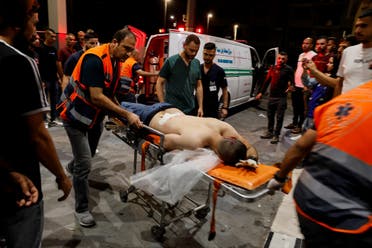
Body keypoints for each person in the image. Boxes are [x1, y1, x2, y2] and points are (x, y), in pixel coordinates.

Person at [0, 1, 72, 247]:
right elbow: (37, 135)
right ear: (17, 24)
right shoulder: (18, 61)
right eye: (33, 23)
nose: (35, 31)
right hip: (20, 185)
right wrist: (61, 176)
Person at [267, 80, 372, 247]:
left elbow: (301, 146)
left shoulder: (343, 100)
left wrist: (279, 178)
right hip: (350, 225)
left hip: (306, 203)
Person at [58, 27, 142, 228]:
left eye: (132, 50)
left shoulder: (115, 61)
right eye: (126, 48)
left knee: (85, 159)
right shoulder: (95, 59)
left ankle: (73, 166)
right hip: (75, 118)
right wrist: (126, 114)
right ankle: (82, 208)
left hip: (94, 119)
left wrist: (121, 112)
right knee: (86, 163)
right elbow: (96, 96)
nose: (128, 54)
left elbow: (109, 93)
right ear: (114, 42)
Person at [120, 102, 258, 165]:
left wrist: (253, 159)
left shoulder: (223, 126)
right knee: (115, 108)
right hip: (150, 116)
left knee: (120, 103)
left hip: (169, 108)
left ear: (232, 138)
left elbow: (249, 147)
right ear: (219, 156)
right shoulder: (194, 142)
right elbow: (164, 142)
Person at [305, 9, 372, 96]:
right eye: (356, 26)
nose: (357, 31)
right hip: (345, 107)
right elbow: (339, 84)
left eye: (364, 26)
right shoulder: (348, 52)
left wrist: (314, 70)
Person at [155, 34, 203, 116]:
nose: (194, 53)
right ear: (184, 45)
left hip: (190, 109)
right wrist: (162, 104)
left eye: (196, 51)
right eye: (191, 50)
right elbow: (159, 82)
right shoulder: (171, 61)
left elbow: (198, 86)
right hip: (172, 110)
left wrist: (200, 107)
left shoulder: (196, 63)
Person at [255, 51, 295, 144]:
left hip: (281, 97)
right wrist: (261, 92)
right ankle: (270, 132)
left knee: (279, 117)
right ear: (277, 58)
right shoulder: (272, 68)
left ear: (286, 60)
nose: (280, 60)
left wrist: (291, 87)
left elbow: (292, 82)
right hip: (272, 97)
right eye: (279, 58)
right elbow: (267, 81)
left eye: (283, 59)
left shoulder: (288, 69)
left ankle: (276, 135)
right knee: (270, 116)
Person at [285, 37, 317, 134]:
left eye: (307, 43)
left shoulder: (314, 55)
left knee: (302, 108)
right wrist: (292, 82)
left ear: (312, 45)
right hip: (296, 85)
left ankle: (300, 125)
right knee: (295, 106)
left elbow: (312, 72)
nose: (304, 45)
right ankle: (294, 123)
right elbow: (298, 69)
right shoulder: (301, 55)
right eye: (303, 43)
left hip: (305, 86)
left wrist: (308, 85)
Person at [36, 27, 64, 127]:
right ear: (46, 36)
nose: (54, 39)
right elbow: (38, 65)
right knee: (44, 100)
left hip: (54, 79)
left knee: (54, 100)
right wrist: (41, 80)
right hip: (44, 79)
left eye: (55, 37)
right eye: (52, 36)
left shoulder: (53, 49)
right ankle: (44, 120)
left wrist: (60, 77)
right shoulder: (40, 49)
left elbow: (56, 64)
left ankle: (53, 118)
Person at [199, 42, 229, 119]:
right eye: (205, 54)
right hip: (198, 105)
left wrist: (225, 107)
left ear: (214, 55)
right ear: (202, 53)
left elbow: (225, 90)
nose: (207, 57)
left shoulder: (219, 71)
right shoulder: (198, 68)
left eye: (211, 55)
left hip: (212, 108)